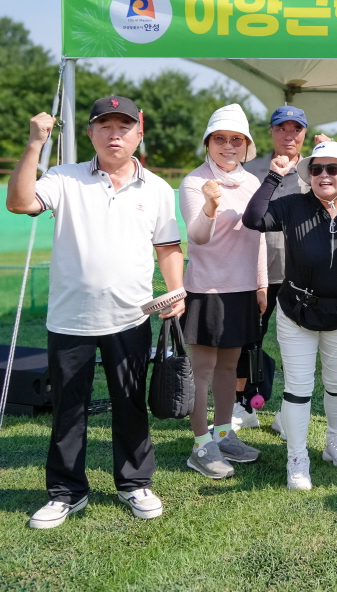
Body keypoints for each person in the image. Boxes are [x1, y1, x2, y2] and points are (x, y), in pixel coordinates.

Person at [6, 96, 184, 528]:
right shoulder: (63, 177)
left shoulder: (158, 188)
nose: (114, 133)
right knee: (69, 407)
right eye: (104, 125)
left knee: (130, 404)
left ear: (139, 132)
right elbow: (19, 202)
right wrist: (34, 144)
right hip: (70, 319)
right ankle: (66, 492)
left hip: (132, 316)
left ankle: (134, 483)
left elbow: (168, 249)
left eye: (123, 126)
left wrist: (177, 291)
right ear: (90, 133)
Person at [243, 141, 337, 490]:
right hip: (297, 311)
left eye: (333, 169)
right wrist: (275, 175)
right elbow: (253, 218)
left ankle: (335, 439)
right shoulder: (293, 206)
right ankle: (297, 457)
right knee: (299, 389)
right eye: (316, 169)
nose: (323, 175)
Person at [178, 104, 266, 479]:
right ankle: (201, 445)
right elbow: (197, 236)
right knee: (202, 369)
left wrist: (261, 281)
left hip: (244, 288)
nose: (227, 146)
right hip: (206, 287)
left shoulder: (252, 183)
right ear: (208, 143)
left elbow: (259, 236)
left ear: (246, 145)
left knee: (230, 366)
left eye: (235, 139)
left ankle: (225, 432)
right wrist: (211, 205)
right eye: (219, 139)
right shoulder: (194, 182)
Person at [238, 106, 325, 431]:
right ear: (272, 132)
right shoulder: (252, 169)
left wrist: (324, 154)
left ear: (304, 133)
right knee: (250, 340)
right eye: (282, 128)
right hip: (257, 272)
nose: (289, 135)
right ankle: (244, 405)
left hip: (300, 275)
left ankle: (289, 412)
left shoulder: (316, 169)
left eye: (296, 129)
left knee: (299, 346)